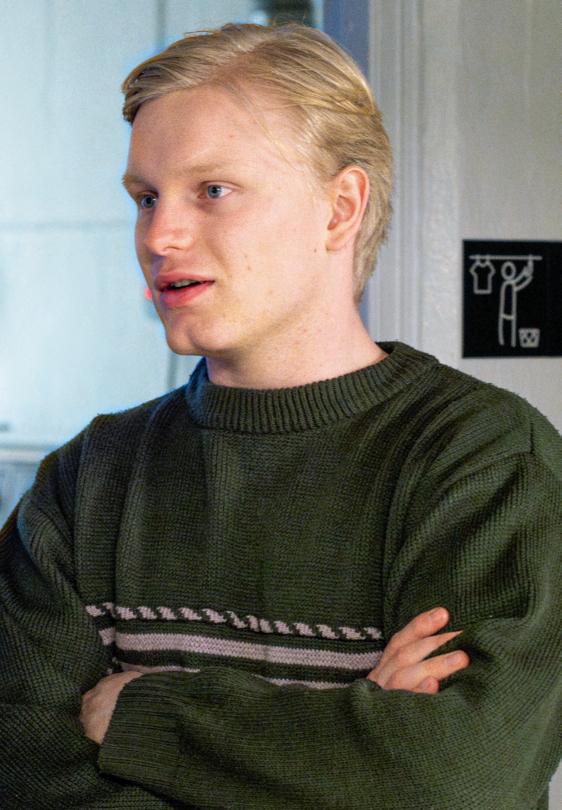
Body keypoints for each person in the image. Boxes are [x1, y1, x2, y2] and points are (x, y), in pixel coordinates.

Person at [1, 21, 560, 810]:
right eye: (146, 197)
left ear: (339, 208)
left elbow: (454, 780)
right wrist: (351, 736)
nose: (160, 234)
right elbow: (20, 767)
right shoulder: (85, 479)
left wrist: (145, 714)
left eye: (212, 190)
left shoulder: (484, 462)